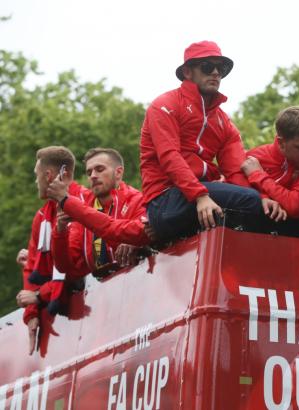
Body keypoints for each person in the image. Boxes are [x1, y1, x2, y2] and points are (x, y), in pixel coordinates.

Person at [140, 40, 282, 242]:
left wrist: (263, 198)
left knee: (264, 206)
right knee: (247, 201)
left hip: (201, 197)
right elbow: (169, 157)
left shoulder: (224, 121)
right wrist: (200, 196)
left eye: (221, 68)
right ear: (188, 72)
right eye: (207, 66)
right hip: (166, 200)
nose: (216, 73)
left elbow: (235, 170)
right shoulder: (164, 105)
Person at [15, 146, 84, 354]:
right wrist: (32, 313)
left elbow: (72, 265)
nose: (36, 181)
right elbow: (32, 268)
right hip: (60, 316)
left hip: (82, 307)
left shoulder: (82, 202)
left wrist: (38, 297)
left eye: (37, 176)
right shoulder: (42, 216)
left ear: (48, 175)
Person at [50, 148, 146, 278]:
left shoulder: (138, 201)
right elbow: (65, 267)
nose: (93, 176)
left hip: (138, 284)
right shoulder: (82, 209)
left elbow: (143, 234)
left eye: (100, 169)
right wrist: (60, 231)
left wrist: (134, 242)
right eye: (89, 172)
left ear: (118, 173)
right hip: (101, 293)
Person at [241, 107, 299, 221]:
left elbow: (295, 206)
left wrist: (258, 176)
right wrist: (262, 197)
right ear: (281, 143)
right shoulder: (254, 158)